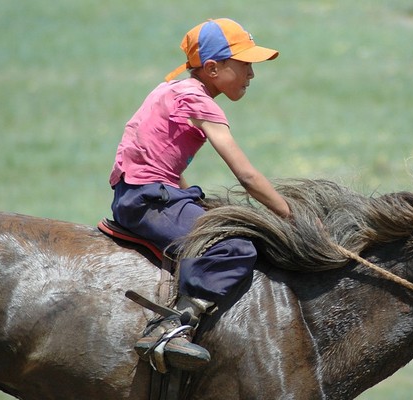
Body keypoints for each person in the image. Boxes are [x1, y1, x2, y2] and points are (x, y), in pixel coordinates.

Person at [108, 18, 291, 372]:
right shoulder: (199, 101)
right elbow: (247, 176)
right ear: (211, 68)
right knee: (233, 245)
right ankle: (174, 327)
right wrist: (290, 215)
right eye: (244, 65)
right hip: (146, 198)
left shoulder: (169, 89)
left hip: (144, 194)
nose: (251, 74)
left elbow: (163, 158)